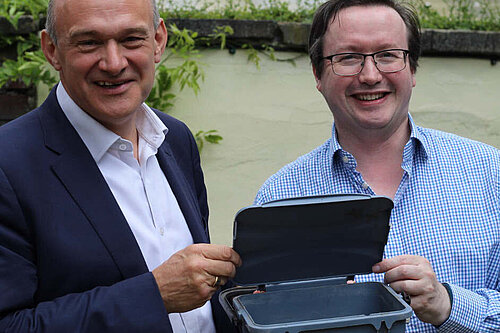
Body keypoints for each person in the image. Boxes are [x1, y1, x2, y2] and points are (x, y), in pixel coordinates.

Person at [255, 0, 500, 331]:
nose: (370, 76)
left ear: (412, 69)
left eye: (388, 55)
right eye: (348, 58)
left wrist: (448, 304)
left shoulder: (489, 173)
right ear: (318, 74)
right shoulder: (281, 196)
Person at [0, 0, 241, 332]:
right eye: (89, 42)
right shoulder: (8, 165)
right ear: (52, 50)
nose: (113, 63)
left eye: (131, 39)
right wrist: (154, 295)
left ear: (158, 40)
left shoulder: (176, 141)